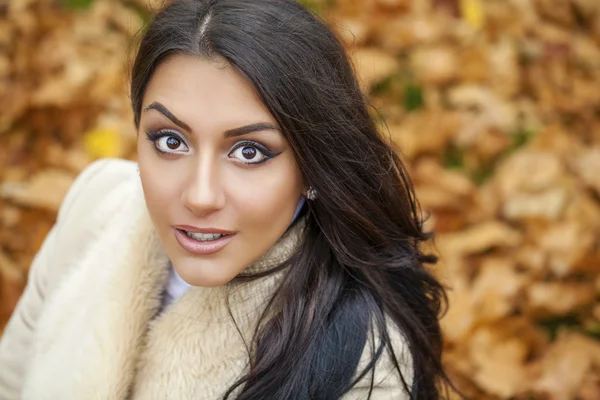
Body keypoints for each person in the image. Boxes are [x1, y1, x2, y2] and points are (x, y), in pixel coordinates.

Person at [0, 0, 450, 398]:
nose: (199, 196)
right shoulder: (95, 205)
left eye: (249, 152)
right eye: (170, 141)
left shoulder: (362, 356)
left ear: (313, 165)